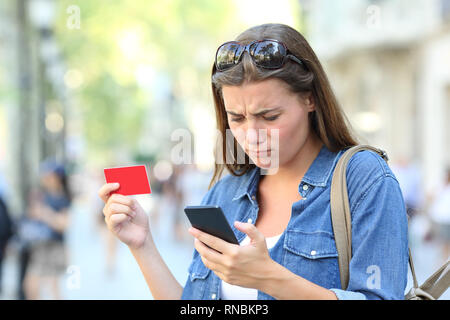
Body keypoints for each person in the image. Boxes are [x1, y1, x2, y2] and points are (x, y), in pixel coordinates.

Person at [98, 23, 409, 300]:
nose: (251, 134)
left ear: (310, 99)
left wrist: (268, 277)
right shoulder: (226, 192)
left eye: (269, 116)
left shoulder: (363, 179)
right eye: (237, 118)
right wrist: (142, 244)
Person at [23, 161, 72, 299]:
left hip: (54, 246)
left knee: (51, 286)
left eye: (49, 176)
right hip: (39, 246)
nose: (45, 179)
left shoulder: (62, 198)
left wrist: (45, 213)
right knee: (32, 284)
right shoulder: (41, 195)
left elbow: (63, 224)